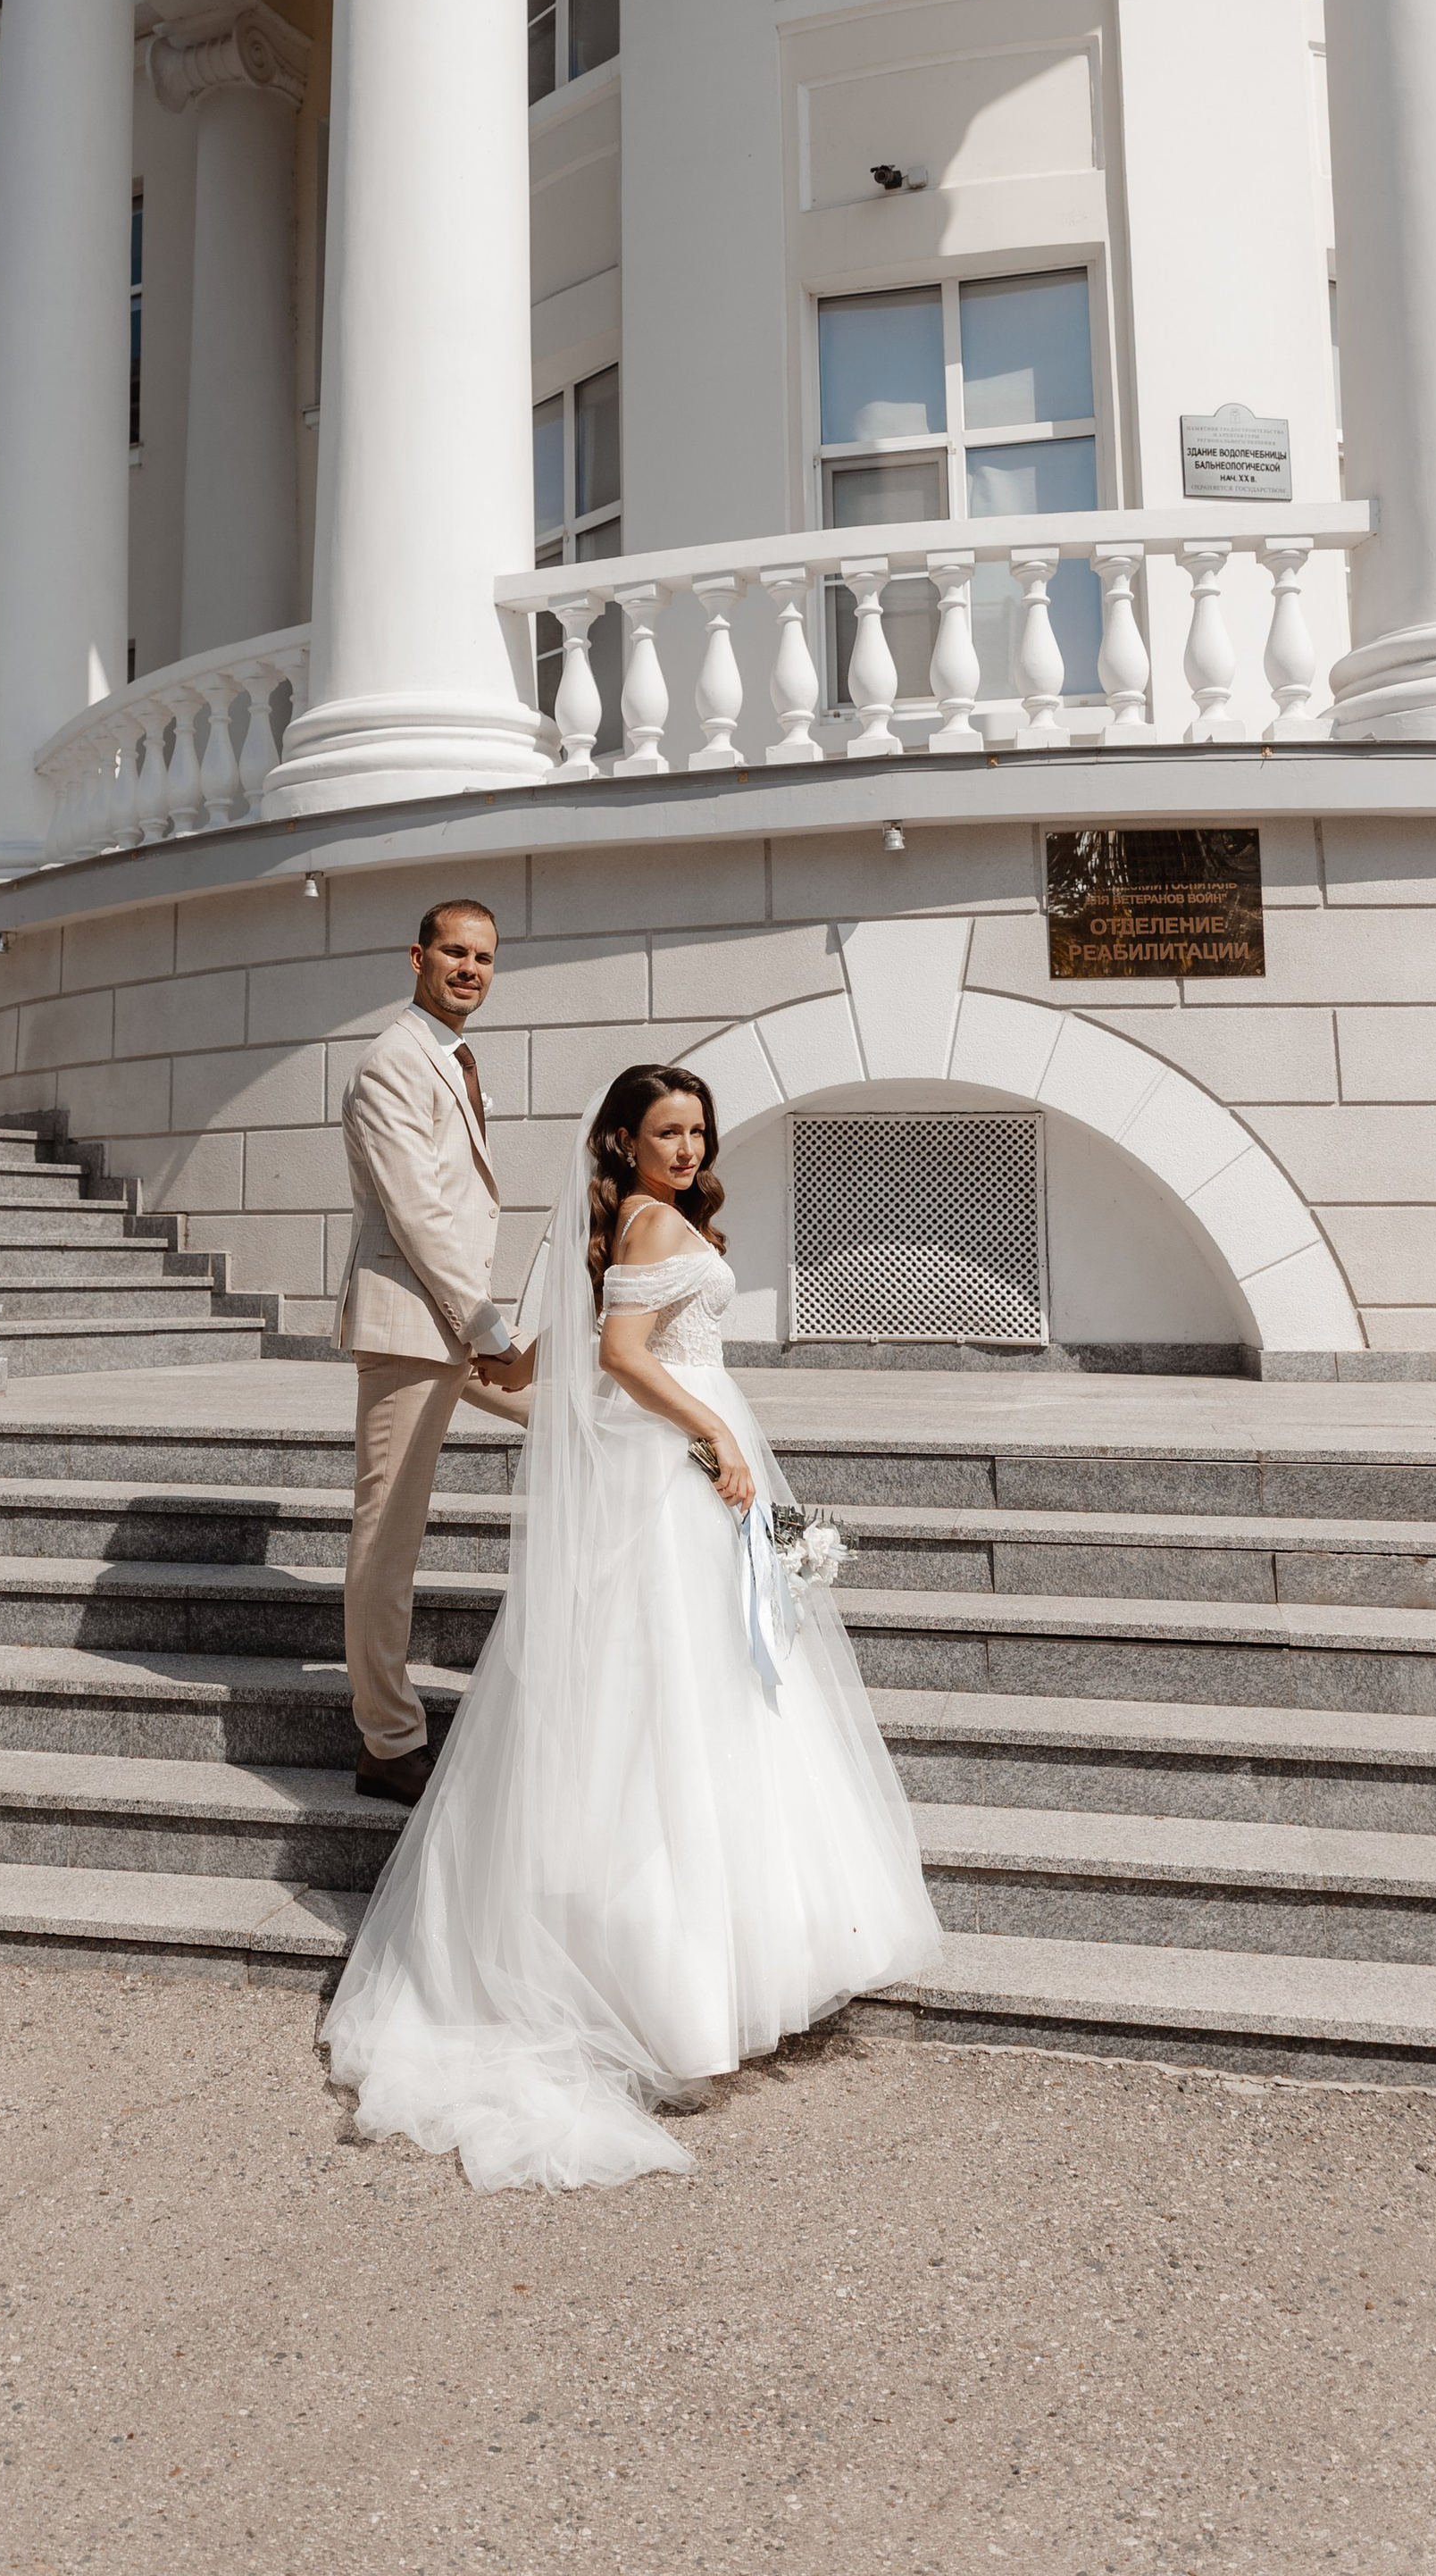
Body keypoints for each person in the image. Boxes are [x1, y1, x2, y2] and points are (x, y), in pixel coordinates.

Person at [321, 1060, 943, 2191]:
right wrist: (716, 1432)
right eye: (667, 1131)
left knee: (693, 1697)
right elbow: (622, 1357)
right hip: (673, 1470)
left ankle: (697, 1967)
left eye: (698, 1131)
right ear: (627, 1141)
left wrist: (526, 1369)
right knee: (678, 1705)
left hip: (673, 1469)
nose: (690, 1148)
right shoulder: (652, 1224)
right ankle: (675, 1986)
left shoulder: (629, 1229)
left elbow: (582, 1339)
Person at [335, 898, 522, 1810]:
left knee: (592, 1412)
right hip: (417, 1325)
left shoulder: (456, 1058)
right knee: (387, 1539)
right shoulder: (389, 1065)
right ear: (415, 955)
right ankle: (387, 1740)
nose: (469, 969)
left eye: (483, 957)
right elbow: (416, 1211)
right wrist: (489, 1326)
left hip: (457, 1321)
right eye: (454, 952)